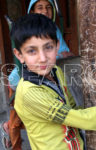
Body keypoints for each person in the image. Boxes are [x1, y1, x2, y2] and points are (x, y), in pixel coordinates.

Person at [11, 13, 96, 150]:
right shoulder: (30, 92)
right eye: (32, 51)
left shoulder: (56, 71)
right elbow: (81, 119)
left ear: (57, 46)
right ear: (19, 55)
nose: (43, 58)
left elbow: (73, 108)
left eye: (48, 47)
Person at [0, 0, 73, 149]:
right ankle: (13, 141)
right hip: (18, 82)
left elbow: (64, 52)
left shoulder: (53, 30)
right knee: (16, 121)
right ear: (32, 11)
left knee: (35, 121)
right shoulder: (27, 33)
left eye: (48, 8)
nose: (45, 11)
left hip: (43, 81)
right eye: (40, 7)